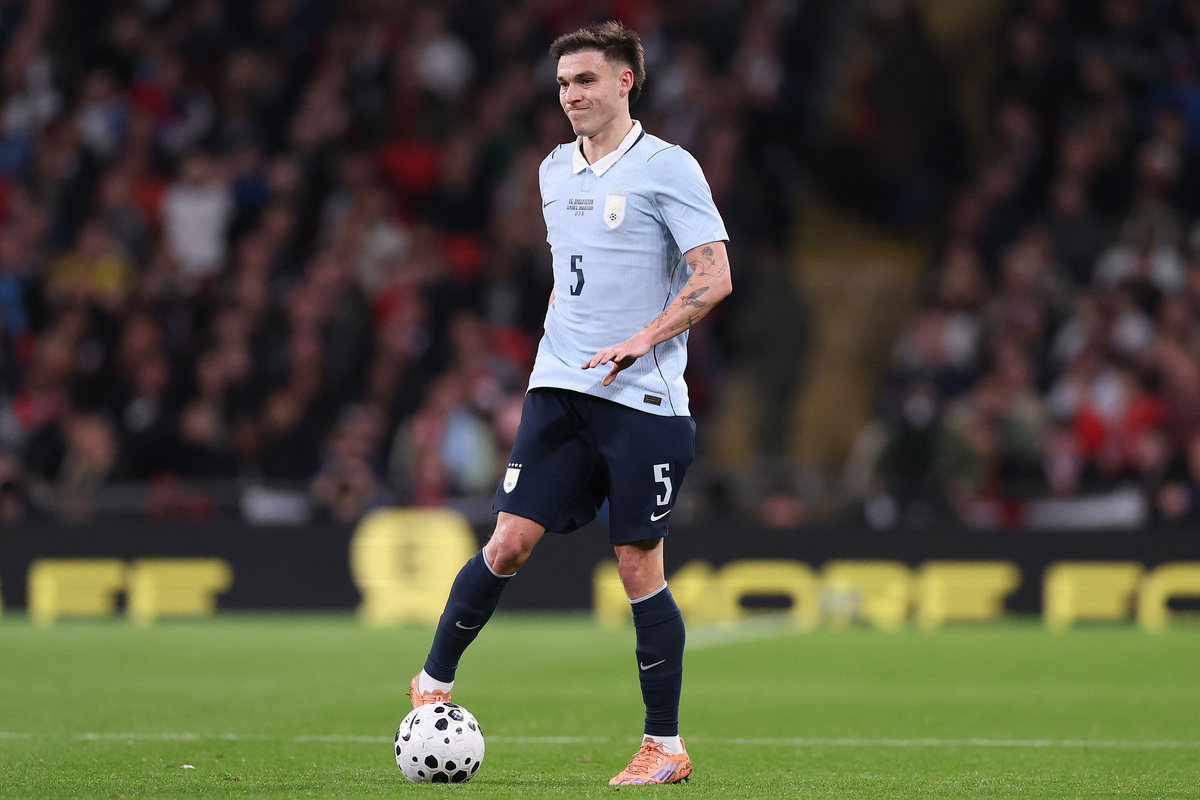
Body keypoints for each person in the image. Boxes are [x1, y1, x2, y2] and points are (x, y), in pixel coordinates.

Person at [408, 20, 732, 787]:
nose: (571, 96)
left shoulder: (668, 167)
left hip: (644, 396)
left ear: (626, 82)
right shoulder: (554, 171)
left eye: (585, 80)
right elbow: (573, 272)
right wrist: (561, 344)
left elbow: (712, 276)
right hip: (561, 385)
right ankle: (431, 684)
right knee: (509, 541)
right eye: (562, 84)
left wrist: (637, 340)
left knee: (635, 563)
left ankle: (665, 746)